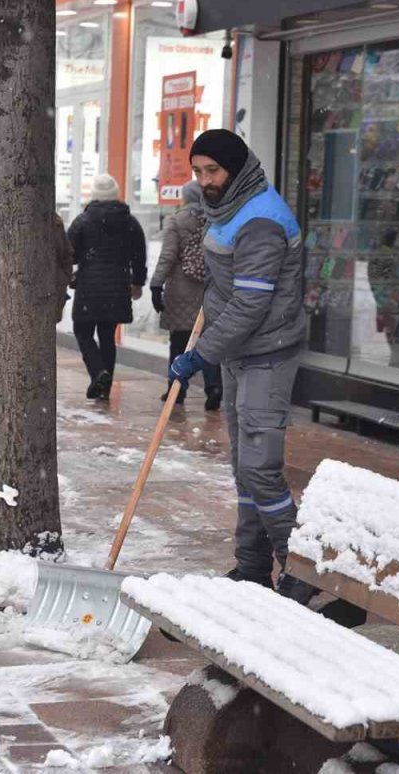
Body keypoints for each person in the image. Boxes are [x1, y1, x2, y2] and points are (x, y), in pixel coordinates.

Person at [166, 130, 312, 603]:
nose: (206, 180)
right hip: (239, 352)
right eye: (199, 172)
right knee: (242, 467)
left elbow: (252, 304)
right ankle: (251, 567)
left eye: (214, 171)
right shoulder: (229, 207)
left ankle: (300, 569)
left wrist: (200, 354)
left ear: (237, 168)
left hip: (266, 352)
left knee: (261, 467)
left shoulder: (261, 219)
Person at [67, 174, 147, 400]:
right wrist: (138, 282)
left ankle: (98, 373)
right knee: (107, 335)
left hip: (89, 288)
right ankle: (105, 385)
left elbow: (68, 251)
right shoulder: (130, 222)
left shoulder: (83, 221)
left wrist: (72, 268)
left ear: (94, 195)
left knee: (83, 331)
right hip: (118, 287)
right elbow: (139, 255)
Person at [150, 179, 222, 409]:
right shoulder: (215, 220)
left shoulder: (177, 220)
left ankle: (176, 389)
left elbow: (168, 256)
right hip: (208, 290)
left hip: (181, 290)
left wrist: (156, 284)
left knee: (179, 342)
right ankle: (214, 387)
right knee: (208, 342)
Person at [52, 211, 75, 324]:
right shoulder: (55, 221)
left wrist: (63, 278)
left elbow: (67, 254)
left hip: (53, 287)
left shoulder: (55, 222)